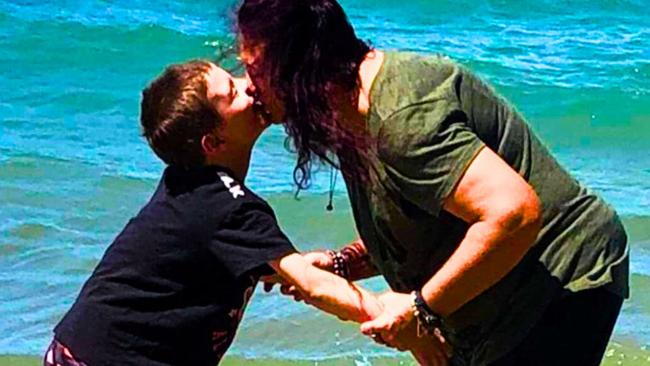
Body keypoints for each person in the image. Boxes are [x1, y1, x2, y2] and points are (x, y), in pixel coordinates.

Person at [235, 1, 630, 365]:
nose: (248, 85)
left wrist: (420, 311)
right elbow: (428, 224)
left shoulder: (402, 120)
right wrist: (343, 264)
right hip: (503, 295)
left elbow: (514, 214)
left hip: (561, 278)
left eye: (255, 70)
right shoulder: (352, 110)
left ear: (299, 67)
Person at [44, 60, 445, 366]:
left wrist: (319, 264)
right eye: (232, 93)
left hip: (83, 348)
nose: (249, 87)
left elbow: (209, 257)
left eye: (235, 77)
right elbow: (313, 287)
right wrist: (409, 325)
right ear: (213, 142)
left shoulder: (189, 184)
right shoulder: (228, 205)